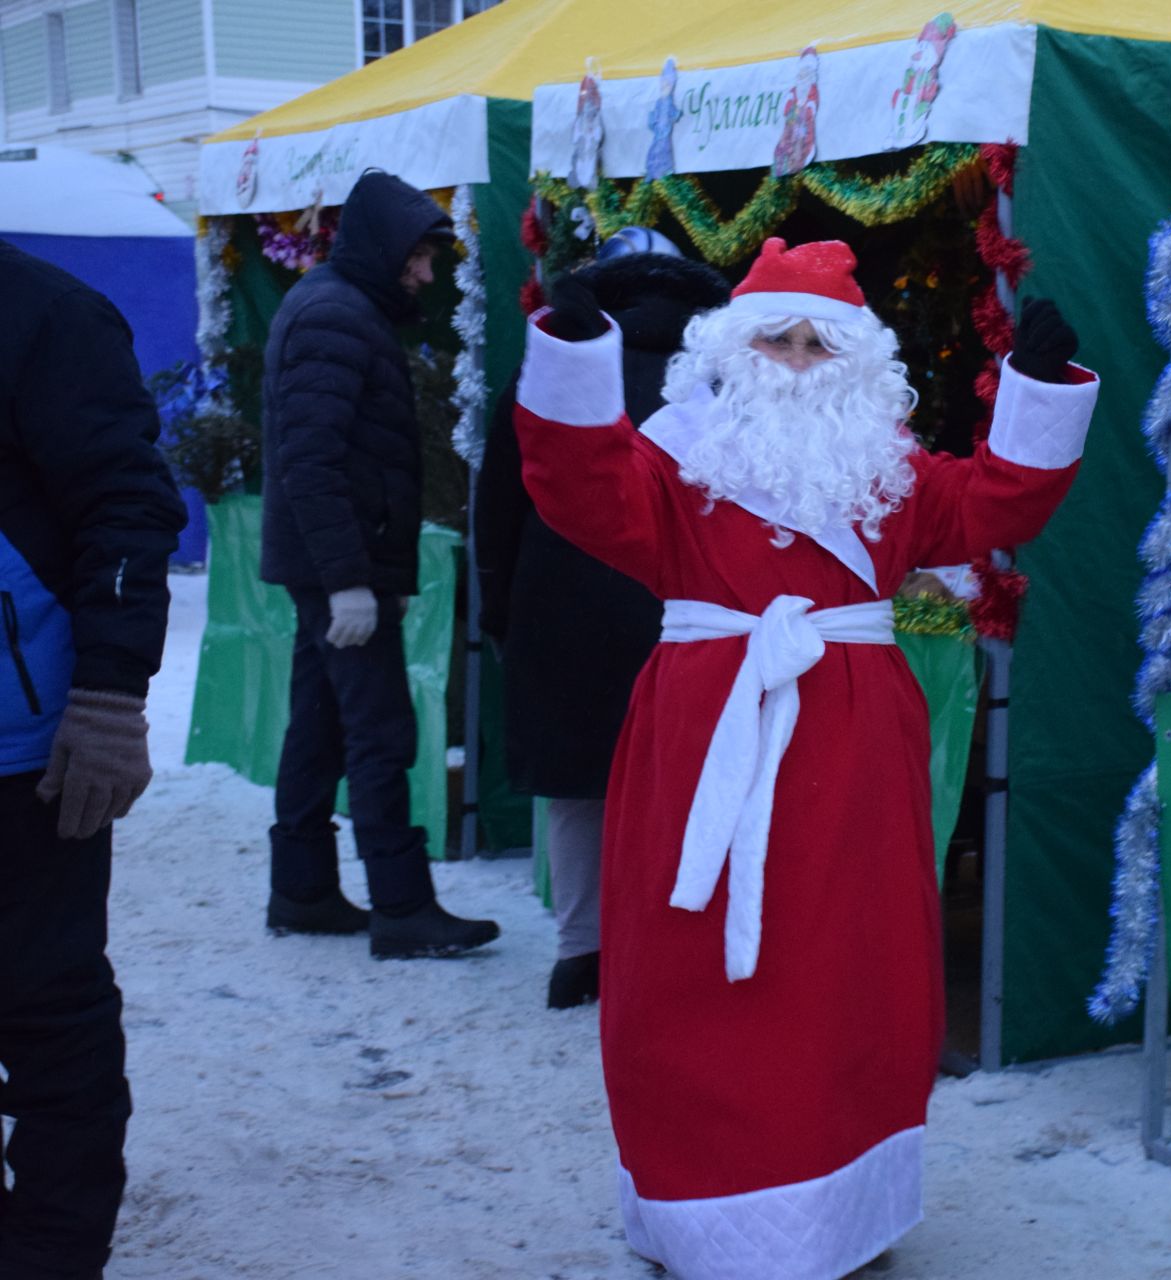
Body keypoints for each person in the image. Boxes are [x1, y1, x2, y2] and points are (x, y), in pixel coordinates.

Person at [515, 238, 1096, 1279]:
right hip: (709, 740)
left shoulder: (890, 472)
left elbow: (993, 506)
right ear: (734, 350)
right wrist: (570, 359)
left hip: (855, 751)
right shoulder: (675, 457)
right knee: (692, 975)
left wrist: (1038, 394)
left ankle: (838, 1202)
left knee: (850, 971)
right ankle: (700, 1202)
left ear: (856, 361)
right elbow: (578, 485)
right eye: (775, 337)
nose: (794, 357)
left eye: (817, 341)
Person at [475, 231, 730, 1008]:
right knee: (678, 781)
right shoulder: (722, 369)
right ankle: (662, 950)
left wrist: (498, 600)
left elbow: (502, 491)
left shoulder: (555, 356)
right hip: (681, 600)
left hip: (561, 590)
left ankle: (578, 950)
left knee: (577, 781)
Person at [0, 239, 186, 1280]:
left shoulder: (47, 313)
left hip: (22, 754)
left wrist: (111, 697)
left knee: (46, 1012)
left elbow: (128, 504)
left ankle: (52, 1255)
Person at [259, 169, 498, 959]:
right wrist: (350, 582)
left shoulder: (340, 309)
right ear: (384, 251)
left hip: (332, 564)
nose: (428, 276)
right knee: (378, 731)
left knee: (321, 727)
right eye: (420, 261)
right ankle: (401, 907)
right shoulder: (334, 316)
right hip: (340, 569)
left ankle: (301, 890)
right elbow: (312, 461)